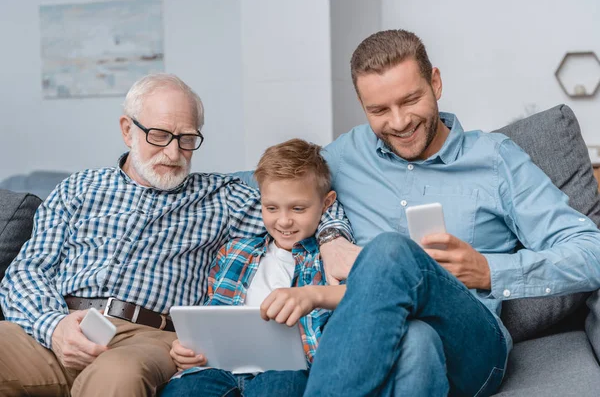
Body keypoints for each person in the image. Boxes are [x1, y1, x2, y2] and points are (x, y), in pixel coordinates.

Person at [237, 29, 600, 396]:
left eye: (410, 100)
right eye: (379, 110)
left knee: (391, 251)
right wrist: (331, 236)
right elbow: (271, 195)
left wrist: (489, 270)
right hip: (385, 345)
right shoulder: (345, 157)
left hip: (472, 345)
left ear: (436, 83)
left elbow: (591, 251)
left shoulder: (494, 160)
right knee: (416, 340)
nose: (398, 122)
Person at [0, 74, 352, 397]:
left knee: (118, 376)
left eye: (186, 139)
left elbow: (305, 203)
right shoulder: (79, 188)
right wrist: (54, 326)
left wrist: (333, 239)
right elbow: (26, 271)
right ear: (128, 130)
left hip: (147, 337)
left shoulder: (223, 198)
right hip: (57, 322)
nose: (173, 153)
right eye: (159, 136)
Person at [160, 139, 347, 396]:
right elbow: (207, 317)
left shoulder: (330, 260)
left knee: (283, 387)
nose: (283, 220)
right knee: (184, 390)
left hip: (287, 370)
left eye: (298, 208)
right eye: (271, 208)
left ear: (326, 204)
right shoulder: (234, 252)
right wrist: (186, 349)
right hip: (218, 368)